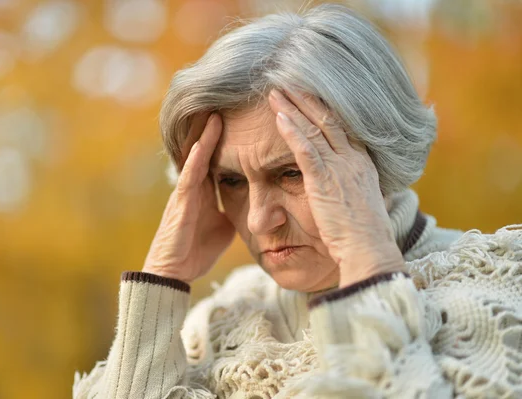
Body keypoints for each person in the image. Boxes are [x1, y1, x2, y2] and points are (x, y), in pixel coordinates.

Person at [73, 4, 522, 398]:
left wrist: (366, 262)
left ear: (374, 160)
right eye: (230, 181)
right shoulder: (216, 323)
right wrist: (160, 285)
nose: (258, 221)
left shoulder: (499, 288)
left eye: (292, 172)